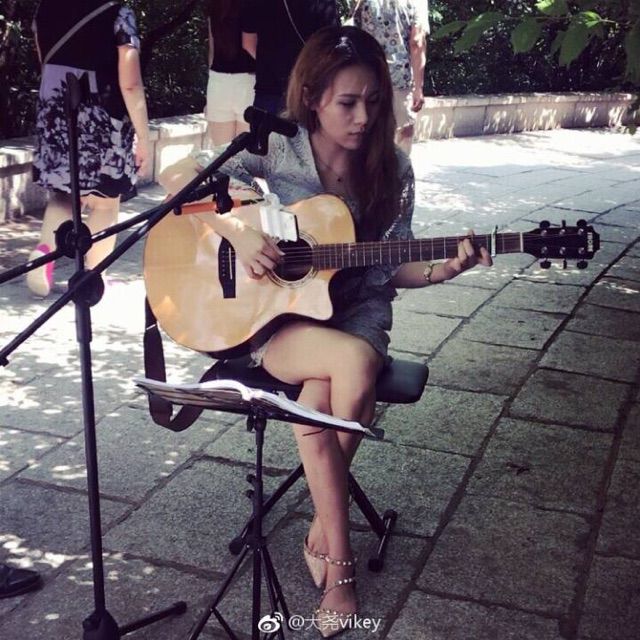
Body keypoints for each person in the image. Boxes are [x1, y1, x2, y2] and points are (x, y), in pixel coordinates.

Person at [160, 25, 490, 637]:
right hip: (276, 317)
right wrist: (240, 232)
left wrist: (445, 269)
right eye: (348, 102)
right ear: (312, 98)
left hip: (356, 313)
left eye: (374, 102)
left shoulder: (392, 170)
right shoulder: (274, 149)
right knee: (352, 366)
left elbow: (390, 267)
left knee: (323, 394)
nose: (363, 117)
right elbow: (176, 173)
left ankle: (325, 531)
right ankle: (340, 568)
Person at [26, 0, 150, 298]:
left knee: (64, 194)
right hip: (101, 116)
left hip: (56, 111)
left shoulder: (46, 9)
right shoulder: (118, 14)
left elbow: (45, 61)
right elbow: (130, 83)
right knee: (105, 202)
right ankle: (93, 277)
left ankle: (43, 255)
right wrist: (144, 136)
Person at [354, 0, 429, 154]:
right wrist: (418, 88)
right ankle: (397, 168)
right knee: (403, 133)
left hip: (368, 77)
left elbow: (354, 33)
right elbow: (417, 41)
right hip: (400, 78)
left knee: (370, 133)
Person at [239, 0, 339, 114]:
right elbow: (329, 47)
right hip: (307, 88)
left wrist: (270, 62)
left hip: (269, 87)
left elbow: (248, 43)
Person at [204, 0, 256, 146]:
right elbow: (250, 45)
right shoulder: (252, 4)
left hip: (217, 82)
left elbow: (212, 49)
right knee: (246, 154)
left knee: (221, 152)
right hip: (249, 82)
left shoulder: (214, 5)